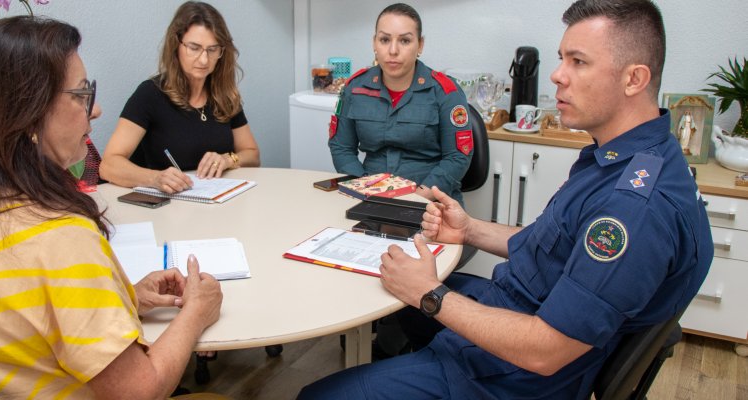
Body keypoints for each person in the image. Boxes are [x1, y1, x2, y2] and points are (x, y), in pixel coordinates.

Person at [299, 0, 713, 398]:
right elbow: (548, 243)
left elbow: (547, 350)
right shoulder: (622, 159)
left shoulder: (633, 207)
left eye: (578, 61)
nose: (556, 75)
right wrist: (471, 229)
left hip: (510, 376)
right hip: (514, 304)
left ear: (634, 79)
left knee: (315, 394)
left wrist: (430, 293)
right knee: (388, 293)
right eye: (561, 58)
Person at [0, 16, 222, 399]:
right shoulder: (58, 235)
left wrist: (127, 298)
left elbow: (19, 323)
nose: (96, 110)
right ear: (28, 113)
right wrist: (195, 313)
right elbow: (141, 391)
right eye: (81, 94)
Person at [100, 1, 260, 194]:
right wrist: (155, 178)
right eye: (194, 47)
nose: (203, 59)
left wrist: (228, 159)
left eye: (212, 49)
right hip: (165, 206)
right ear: (176, 45)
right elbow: (108, 165)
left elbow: (252, 155)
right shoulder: (150, 94)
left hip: (217, 203)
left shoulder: (224, 95)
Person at [328, 3, 473, 205]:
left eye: (405, 40)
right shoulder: (355, 88)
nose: (393, 50)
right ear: (374, 43)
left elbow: (458, 157)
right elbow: (341, 148)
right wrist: (362, 188)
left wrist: (418, 197)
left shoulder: (446, 91)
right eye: (385, 39)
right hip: (370, 197)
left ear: (420, 45)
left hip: (431, 201)